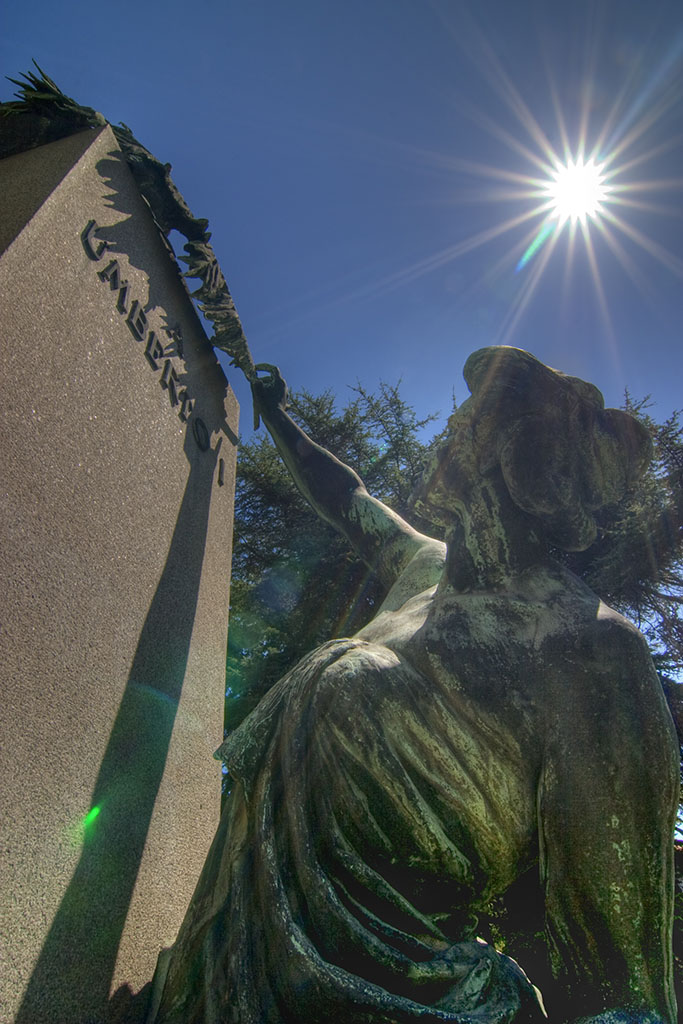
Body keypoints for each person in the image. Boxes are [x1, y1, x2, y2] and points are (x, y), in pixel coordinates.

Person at [151, 347, 678, 1024]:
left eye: (470, 417)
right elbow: (349, 499)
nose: (450, 425)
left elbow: (619, 978)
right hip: (224, 979)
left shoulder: (591, 647)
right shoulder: (423, 571)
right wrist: (276, 414)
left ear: (514, 460)